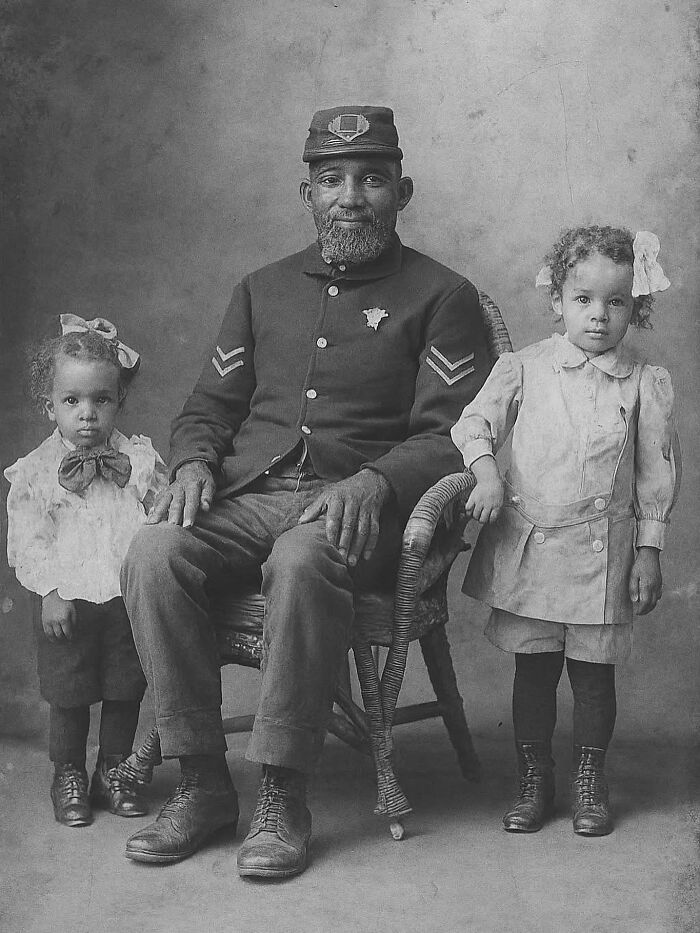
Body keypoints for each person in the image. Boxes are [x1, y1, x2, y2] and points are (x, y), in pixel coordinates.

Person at [120, 105, 492, 877]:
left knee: (302, 558)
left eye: (371, 179)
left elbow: (455, 431)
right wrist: (193, 463)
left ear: (403, 189)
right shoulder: (261, 289)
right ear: (308, 193)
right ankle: (201, 782)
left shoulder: (442, 295)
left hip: (361, 505)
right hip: (249, 492)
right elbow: (207, 410)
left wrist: (375, 478)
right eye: (332, 180)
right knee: (154, 550)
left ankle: (283, 793)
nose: (350, 196)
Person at [451, 226, 678, 837]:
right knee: (534, 669)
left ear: (637, 306)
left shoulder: (643, 383)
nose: (599, 316)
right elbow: (474, 423)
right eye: (583, 299)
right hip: (532, 546)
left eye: (616, 302)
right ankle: (534, 779)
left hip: (603, 553)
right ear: (558, 299)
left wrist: (648, 554)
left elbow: (657, 475)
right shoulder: (523, 367)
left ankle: (588, 781)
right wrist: (486, 473)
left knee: (592, 674)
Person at [4, 316, 166, 828]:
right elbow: (28, 541)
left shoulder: (137, 461)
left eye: (102, 400)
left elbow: (161, 519)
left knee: (125, 688)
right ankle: (68, 773)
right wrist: (51, 591)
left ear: (120, 400)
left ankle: (114, 771)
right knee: (69, 693)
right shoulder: (36, 471)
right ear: (48, 404)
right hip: (66, 601)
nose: (88, 414)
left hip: (124, 600)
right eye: (72, 401)